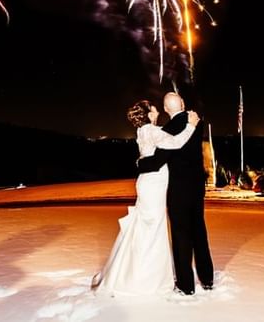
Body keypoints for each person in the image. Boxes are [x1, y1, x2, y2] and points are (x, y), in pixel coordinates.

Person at [92, 99, 200, 296]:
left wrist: (140, 162)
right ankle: (145, 278)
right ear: (149, 114)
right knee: (152, 226)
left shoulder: (143, 131)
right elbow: (175, 143)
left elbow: (148, 155)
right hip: (154, 185)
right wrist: (191, 126)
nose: (157, 109)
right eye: (153, 108)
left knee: (146, 225)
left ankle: (135, 271)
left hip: (148, 183)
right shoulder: (151, 130)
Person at [137, 92, 214, 295]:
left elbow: (157, 161)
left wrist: (139, 163)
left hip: (178, 188)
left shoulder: (168, 129)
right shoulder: (197, 121)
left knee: (181, 235)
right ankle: (207, 279)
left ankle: (186, 285)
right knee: (199, 229)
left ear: (165, 108)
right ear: (183, 104)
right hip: (197, 185)